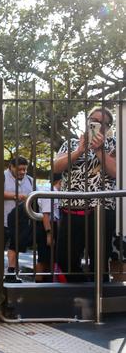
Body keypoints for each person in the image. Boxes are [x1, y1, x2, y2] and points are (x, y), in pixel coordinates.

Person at [52, 106, 117, 283]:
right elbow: (56, 167)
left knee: (100, 258)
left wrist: (98, 150)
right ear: (87, 121)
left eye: (103, 123)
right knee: (65, 258)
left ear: (108, 126)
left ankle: (99, 296)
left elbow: (116, 172)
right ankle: (80, 291)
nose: (98, 125)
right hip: (72, 209)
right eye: (94, 120)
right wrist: (80, 150)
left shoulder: (114, 144)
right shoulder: (71, 143)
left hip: (102, 210)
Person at [3, 156, 34, 283]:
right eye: (20, 169)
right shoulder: (3, 176)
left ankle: (11, 273)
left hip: (21, 221)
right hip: (3, 218)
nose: (22, 172)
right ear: (11, 167)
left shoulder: (31, 180)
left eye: (25, 170)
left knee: (16, 247)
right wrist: (17, 196)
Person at [34, 173, 62, 282]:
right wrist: (49, 234)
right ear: (60, 181)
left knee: (52, 258)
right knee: (44, 258)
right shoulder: (48, 191)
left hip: (54, 225)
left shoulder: (56, 192)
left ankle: (49, 282)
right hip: (48, 226)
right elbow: (46, 214)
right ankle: (38, 284)